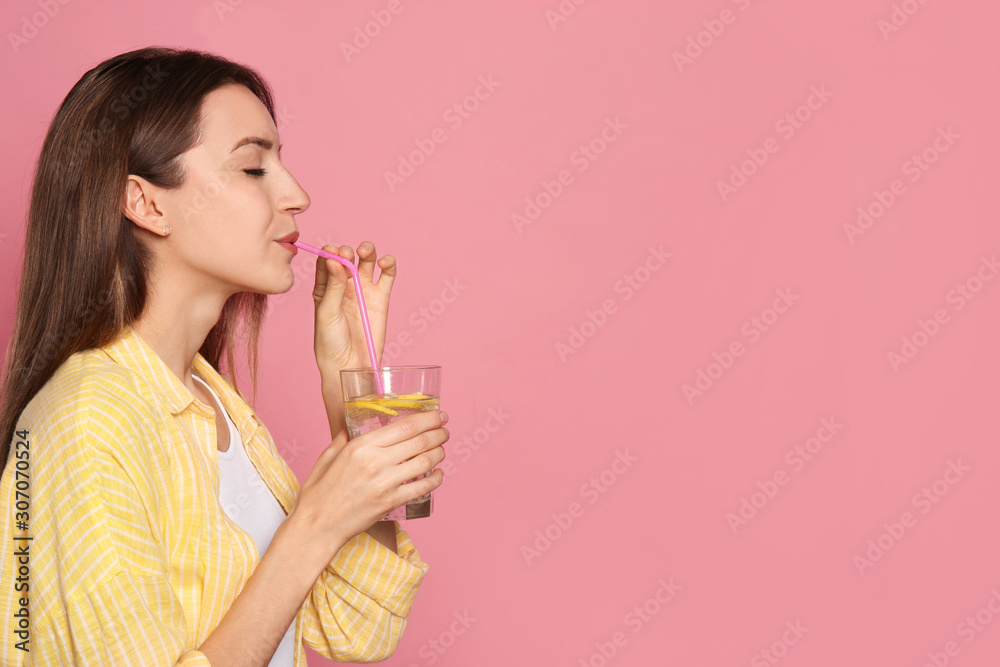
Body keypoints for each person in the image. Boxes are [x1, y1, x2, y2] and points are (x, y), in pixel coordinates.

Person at [0, 47, 448, 666]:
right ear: (148, 203)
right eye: (253, 168)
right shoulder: (86, 425)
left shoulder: (209, 398)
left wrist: (351, 388)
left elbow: (356, 628)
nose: (298, 195)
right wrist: (312, 523)